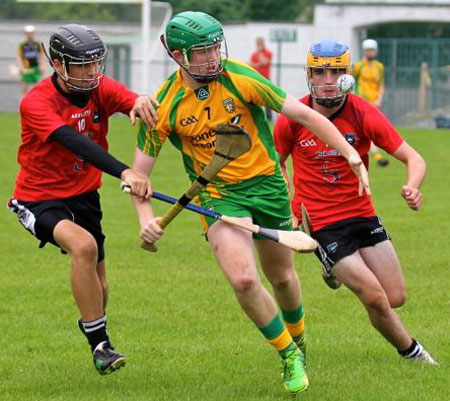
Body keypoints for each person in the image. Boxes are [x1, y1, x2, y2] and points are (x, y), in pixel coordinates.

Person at [130, 12, 370, 395]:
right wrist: (145, 216)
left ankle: (300, 339)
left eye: (214, 47)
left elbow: (305, 114)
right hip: (218, 195)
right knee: (243, 278)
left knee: (283, 278)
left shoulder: (241, 77)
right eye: (201, 52)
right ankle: (288, 353)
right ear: (177, 55)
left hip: (269, 186)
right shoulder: (163, 104)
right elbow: (139, 175)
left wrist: (350, 155)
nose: (212, 57)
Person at [274, 39, 437, 366]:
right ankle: (414, 354)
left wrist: (412, 186)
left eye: (335, 72)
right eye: (320, 72)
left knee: (395, 297)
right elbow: (274, 164)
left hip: (362, 214)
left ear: (347, 75)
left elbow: (413, 158)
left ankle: (330, 268)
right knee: (375, 298)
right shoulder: (294, 116)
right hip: (320, 222)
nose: (328, 79)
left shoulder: (363, 112)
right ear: (309, 74)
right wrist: (288, 205)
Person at [8, 24, 158, 375]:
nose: (92, 73)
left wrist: (139, 101)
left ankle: (92, 325)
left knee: (100, 288)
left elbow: (127, 99)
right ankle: (101, 346)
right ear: (59, 64)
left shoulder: (100, 87)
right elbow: (77, 143)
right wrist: (126, 172)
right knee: (84, 247)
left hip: (84, 196)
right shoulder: (36, 101)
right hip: (39, 198)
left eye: (96, 64)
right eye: (82, 66)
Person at [353, 38, 389, 167]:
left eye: (372, 50)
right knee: (366, 130)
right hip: (362, 103)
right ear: (364, 51)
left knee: (373, 129)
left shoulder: (379, 67)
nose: (371, 52)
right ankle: (377, 155)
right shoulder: (358, 66)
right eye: (368, 50)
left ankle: (374, 153)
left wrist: (379, 99)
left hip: (375, 104)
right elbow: (352, 83)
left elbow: (381, 84)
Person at [17, 25, 46, 95]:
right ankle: (24, 99)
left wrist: (42, 66)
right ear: (25, 33)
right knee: (25, 84)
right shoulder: (22, 44)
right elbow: (19, 56)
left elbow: (42, 55)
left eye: (31, 33)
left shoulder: (37, 43)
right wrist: (21, 67)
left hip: (36, 66)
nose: (29, 34)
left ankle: (38, 99)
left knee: (40, 83)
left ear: (33, 33)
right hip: (26, 67)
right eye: (27, 33)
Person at [249, 37, 273, 121]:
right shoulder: (254, 54)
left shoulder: (268, 53)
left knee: (267, 99)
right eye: (258, 43)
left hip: (265, 79)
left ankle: (269, 118)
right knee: (254, 98)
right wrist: (258, 64)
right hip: (256, 79)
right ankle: (256, 117)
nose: (259, 45)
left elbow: (264, 62)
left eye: (260, 43)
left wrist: (260, 53)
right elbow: (251, 65)